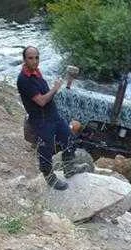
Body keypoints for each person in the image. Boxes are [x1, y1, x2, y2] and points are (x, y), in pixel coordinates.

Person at [16, 46, 83, 190]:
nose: (35, 61)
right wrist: (55, 88)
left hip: (53, 116)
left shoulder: (36, 73)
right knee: (46, 150)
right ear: (24, 59)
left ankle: (69, 168)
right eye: (31, 58)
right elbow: (41, 101)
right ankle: (50, 178)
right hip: (41, 120)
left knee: (70, 138)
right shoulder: (24, 79)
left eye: (37, 57)